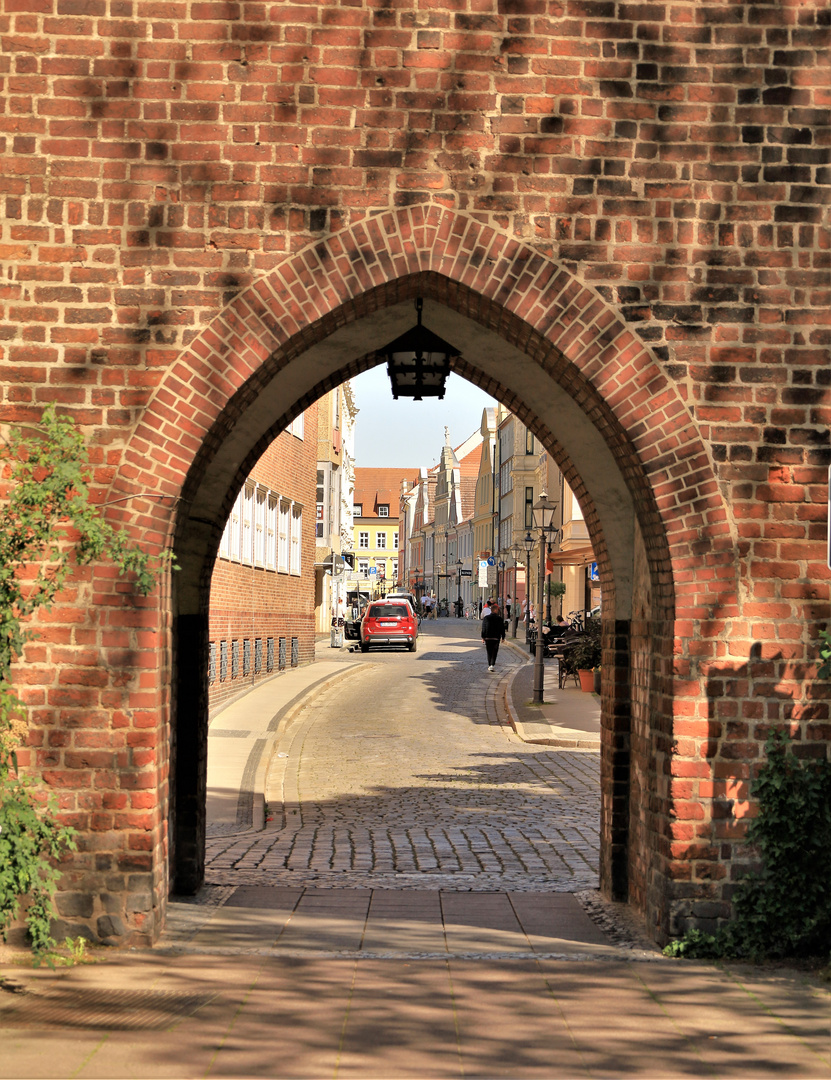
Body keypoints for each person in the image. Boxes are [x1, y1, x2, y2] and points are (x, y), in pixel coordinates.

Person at [481, 603, 505, 672]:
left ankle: (490, 665)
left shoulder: (486, 618)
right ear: (495, 610)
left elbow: (484, 628)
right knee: (495, 651)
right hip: (496, 638)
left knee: (489, 652)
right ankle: (492, 664)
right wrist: (503, 637)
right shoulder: (500, 619)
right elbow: (502, 629)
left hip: (488, 637)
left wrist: (483, 637)